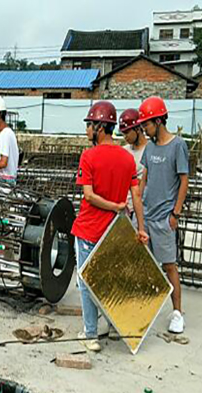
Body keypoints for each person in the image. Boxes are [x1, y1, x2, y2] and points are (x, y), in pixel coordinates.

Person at [72, 101, 149, 352]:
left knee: (86, 280)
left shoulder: (89, 156)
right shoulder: (127, 159)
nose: (87, 131)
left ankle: (91, 334)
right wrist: (140, 228)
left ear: (100, 127)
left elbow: (89, 196)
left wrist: (115, 205)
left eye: (89, 125)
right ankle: (114, 325)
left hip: (88, 230)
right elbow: (136, 196)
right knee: (109, 279)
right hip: (113, 231)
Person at [138, 96, 189, 334]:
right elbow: (145, 177)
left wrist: (175, 213)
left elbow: (184, 180)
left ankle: (177, 313)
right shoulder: (150, 148)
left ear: (158, 121)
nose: (144, 130)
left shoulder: (177, 145)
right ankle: (146, 308)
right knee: (145, 264)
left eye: (147, 124)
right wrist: (136, 204)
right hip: (146, 216)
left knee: (169, 266)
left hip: (164, 218)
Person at [120, 108, 148, 218]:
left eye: (127, 132)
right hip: (124, 207)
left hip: (141, 209)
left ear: (137, 129)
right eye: (123, 133)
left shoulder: (150, 151)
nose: (125, 137)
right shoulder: (124, 151)